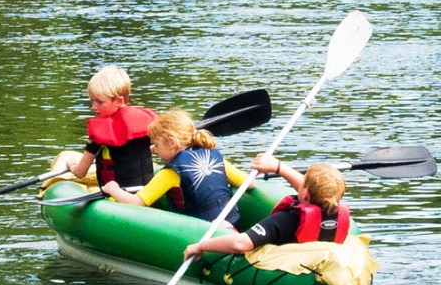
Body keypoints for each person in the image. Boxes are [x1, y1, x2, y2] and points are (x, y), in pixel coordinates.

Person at [183, 154, 350, 261]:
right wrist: (278, 168)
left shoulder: (288, 219)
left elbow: (241, 244)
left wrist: (200, 246)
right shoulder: (332, 210)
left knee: (220, 224)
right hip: (316, 264)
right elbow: (311, 191)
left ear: (305, 194)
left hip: (283, 265)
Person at [101, 109, 241, 226]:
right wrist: (155, 149)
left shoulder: (171, 172)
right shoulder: (214, 155)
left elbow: (135, 202)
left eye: (157, 144)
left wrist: (113, 188)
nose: (155, 149)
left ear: (172, 143)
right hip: (232, 223)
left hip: (202, 231)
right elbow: (249, 182)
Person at [67, 65, 158, 189]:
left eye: (99, 102)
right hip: (146, 193)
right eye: (92, 101)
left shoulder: (101, 130)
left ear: (119, 101)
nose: (93, 106)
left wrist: (71, 165)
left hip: (116, 197)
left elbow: (81, 172)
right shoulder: (145, 120)